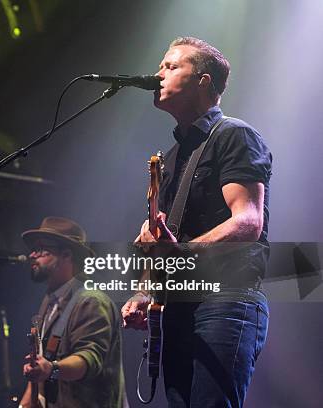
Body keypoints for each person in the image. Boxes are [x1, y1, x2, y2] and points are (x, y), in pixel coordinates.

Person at [121, 37, 272, 407]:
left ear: (203, 81)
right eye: (160, 66)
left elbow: (249, 221)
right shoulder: (171, 157)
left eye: (171, 67)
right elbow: (165, 243)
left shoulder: (234, 135)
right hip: (178, 305)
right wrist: (145, 291)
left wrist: (181, 251)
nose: (158, 74)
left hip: (226, 300)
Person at [19, 216, 126, 408]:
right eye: (32, 249)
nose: (32, 255)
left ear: (67, 255)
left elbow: (89, 359)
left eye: (41, 248)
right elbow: (41, 365)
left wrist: (51, 369)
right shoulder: (49, 301)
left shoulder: (92, 301)